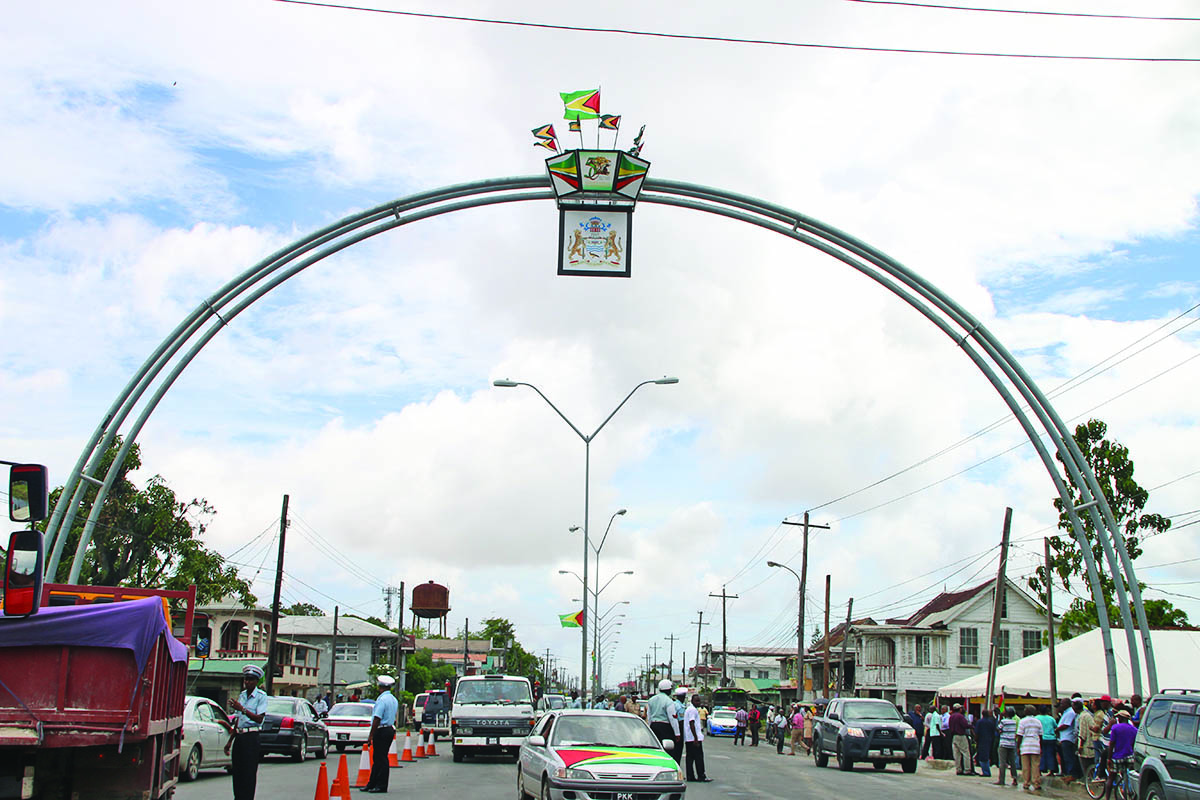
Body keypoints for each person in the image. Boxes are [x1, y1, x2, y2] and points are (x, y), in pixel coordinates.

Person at [225, 664, 268, 800]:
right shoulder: (242, 695)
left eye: (251, 679)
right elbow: (238, 720)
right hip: (240, 736)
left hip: (251, 737)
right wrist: (230, 741)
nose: (247, 682)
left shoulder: (261, 696)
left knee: (248, 773)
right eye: (246, 679)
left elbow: (259, 718)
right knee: (237, 772)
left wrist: (243, 709)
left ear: (256, 681)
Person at [361, 674, 398, 793]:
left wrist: (371, 735)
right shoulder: (393, 699)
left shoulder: (382, 699)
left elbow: (377, 718)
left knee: (380, 758)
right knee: (378, 757)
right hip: (389, 729)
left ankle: (381, 785)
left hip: (381, 729)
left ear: (380, 687)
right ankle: (372, 783)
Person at [1104, 710, 1137, 800]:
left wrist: (1109, 758)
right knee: (1131, 775)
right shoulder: (1134, 729)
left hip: (1118, 756)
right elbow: (1133, 744)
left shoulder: (1115, 728)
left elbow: (1112, 744)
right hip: (1130, 756)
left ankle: (1107, 798)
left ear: (1121, 718)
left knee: (1111, 777)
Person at [648, 680, 679, 761]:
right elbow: (672, 718)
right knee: (668, 749)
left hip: (653, 726)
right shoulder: (669, 701)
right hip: (665, 727)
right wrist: (677, 733)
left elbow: (649, 716)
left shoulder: (651, 700)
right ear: (668, 689)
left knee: (655, 748)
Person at [684, 693, 712, 782]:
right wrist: (695, 738)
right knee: (699, 757)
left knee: (690, 758)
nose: (699, 702)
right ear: (692, 701)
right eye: (697, 701)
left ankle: (690, 776)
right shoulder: (692, 710)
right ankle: (701, 775)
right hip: (693, 738)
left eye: (699, 700)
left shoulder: (690, 709)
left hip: (689, 738)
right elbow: (691, 723)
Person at [1016, 705, 1044, 792]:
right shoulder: (1038, 722)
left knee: (1025, 766)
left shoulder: (1022, 721)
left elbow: (1020, 735)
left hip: (1025, 746)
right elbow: (1040, 736)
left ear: (1027, 712)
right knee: (1035, 765)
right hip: (1035, 745)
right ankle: (1036, 783)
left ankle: (1026, 783)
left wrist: (1018, 747)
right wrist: (1041, 747)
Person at [1057, 696, 1081, 783]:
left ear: (1067, 704)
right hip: (1064, 738)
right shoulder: (1066, 712)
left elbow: (1066, 725)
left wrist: (1057, 729)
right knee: (1066, 757)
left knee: (1069, 757)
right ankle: (1068, 774)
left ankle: (1072, 774)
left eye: (1062, 703)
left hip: (1068, 738)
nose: (1061, 705)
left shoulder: (1070, 712)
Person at [996, 707, 1019, 787]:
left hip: (1003, 743)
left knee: (1002, 762)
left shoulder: (1003, 721)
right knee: (1012, 762)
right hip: (1012, 744)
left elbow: (998, 728)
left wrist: (1001, 718)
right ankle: (1015, 778)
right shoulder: (1013, 722)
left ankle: (1001, 780)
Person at [947, 703, 974, 775]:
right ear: (960, 709)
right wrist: (972, 726)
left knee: (957, 754)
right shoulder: (960, 716)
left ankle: (958, 769)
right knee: (966, 753)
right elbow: (965, 725)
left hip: (954, 736)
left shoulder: (951, 717)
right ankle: (967, 770)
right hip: (961, 735)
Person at [1077, 697, 1096, 782]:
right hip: (1090, 743)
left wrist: (1080, 746)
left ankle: (1089, 780)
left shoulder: (1083, 716)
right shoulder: (1087, 715)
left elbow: (1083, 733)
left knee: (1086, 764)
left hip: (1086, 745)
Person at [974, 707, 997, 778]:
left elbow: (976, 732)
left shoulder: (980, 722)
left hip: (981, 740)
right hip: (989, 740)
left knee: (982, 756)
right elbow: (994, 731)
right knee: (987, 755)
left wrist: (976, 740)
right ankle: (986, 770)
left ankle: (986, 771)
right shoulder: (991, 722)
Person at [1037, 705, 1058, 776]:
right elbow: (1056, 727)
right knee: (1051, 754)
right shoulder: (1051, 719)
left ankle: (1040, 770)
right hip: (1051, 738)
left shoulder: (1037, 718)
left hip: (1041, 738)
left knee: (1041, 754)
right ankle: (1051, 771)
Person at [673, 688, 689, 761]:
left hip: (673, 730)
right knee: (678, 751)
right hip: (679, 730)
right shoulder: (680, 707)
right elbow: (681, 721)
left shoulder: (674, 704)